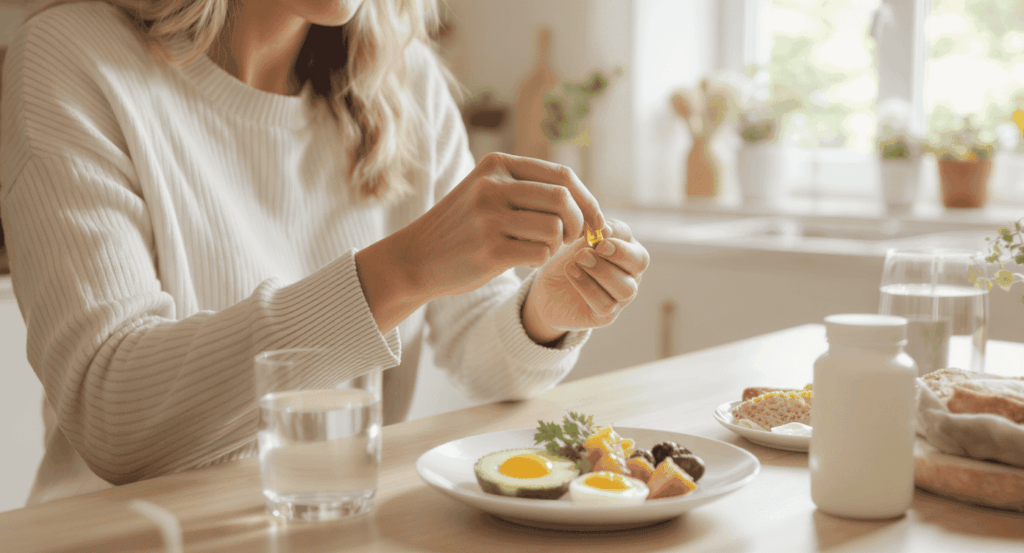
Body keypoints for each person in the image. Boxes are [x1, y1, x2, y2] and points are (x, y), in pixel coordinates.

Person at [0, 0, 650, 505]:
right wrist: (402, 269)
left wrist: (545, 310)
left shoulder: (407, 85)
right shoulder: (71, 56)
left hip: (333, 522)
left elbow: (484, 354)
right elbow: (118, 417)